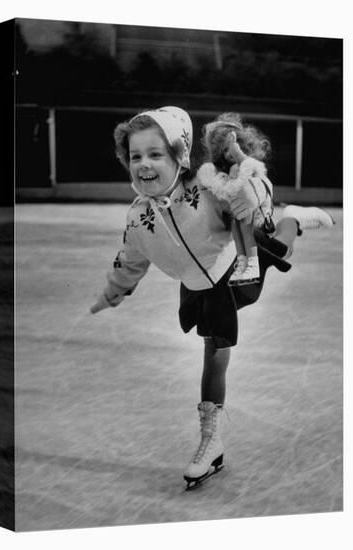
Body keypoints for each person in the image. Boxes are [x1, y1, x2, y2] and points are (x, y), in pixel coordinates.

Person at [89, 106, 334, 489]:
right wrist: (113, 291)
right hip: (198, 288)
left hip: (236, 268)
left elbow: (257, 188)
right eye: (135, 156)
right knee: (215, 353)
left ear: (180, 156)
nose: (144, 164)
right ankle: (212, 440)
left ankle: (295, 218)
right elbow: (130, 260)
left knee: (281, 250)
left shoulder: (205, 189)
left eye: (156, 154)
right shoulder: (137, 218)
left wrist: (250, 200)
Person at [200, 112, 274, 286]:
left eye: (233, 146)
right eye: (225, 150)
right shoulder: (230, 170)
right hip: (240, 213)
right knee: (237, 228)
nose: (229, 152)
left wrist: (236, 150)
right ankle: (242, 264)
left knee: (247, 230)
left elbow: (259, 178)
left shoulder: (249, 164)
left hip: (257, 216)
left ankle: (252, 265)